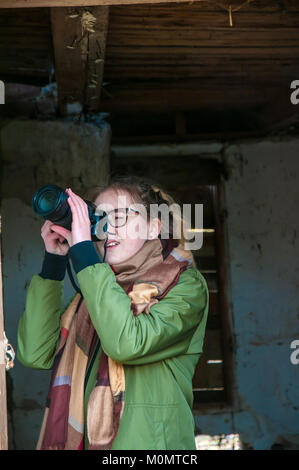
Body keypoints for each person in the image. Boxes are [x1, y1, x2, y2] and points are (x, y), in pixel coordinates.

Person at [17, 175, 209, 450]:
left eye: (118, 217)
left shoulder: (185, 286)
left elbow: (126, 343)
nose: (107, 229)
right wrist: (54, 264)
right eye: (98, 219)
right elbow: (35, 353)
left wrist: (85, 255)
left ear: (153, 226)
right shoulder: (96, 292)